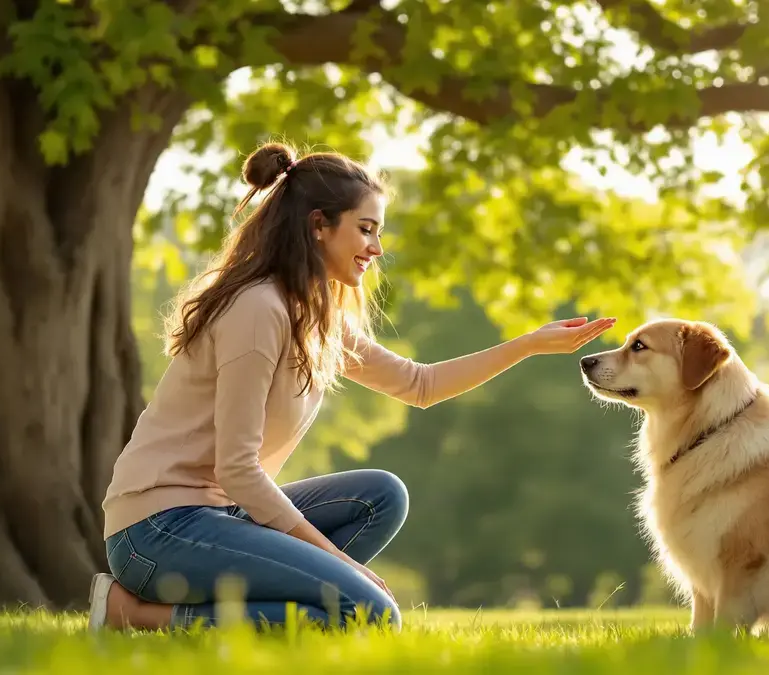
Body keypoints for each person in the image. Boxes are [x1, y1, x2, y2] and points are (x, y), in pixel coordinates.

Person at [87, 141, 616, 632]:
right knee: (372, 613)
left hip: (222, 515)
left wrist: (527, 344)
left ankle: (292, 606)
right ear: (319, 225)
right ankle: (135, 614)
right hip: (158, 530)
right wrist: (337, 561)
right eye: (366, 229)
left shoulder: (315, 314)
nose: (376, 247)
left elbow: (420, 384)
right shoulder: (257, 310)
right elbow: (237, 467)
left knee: (380, 496)